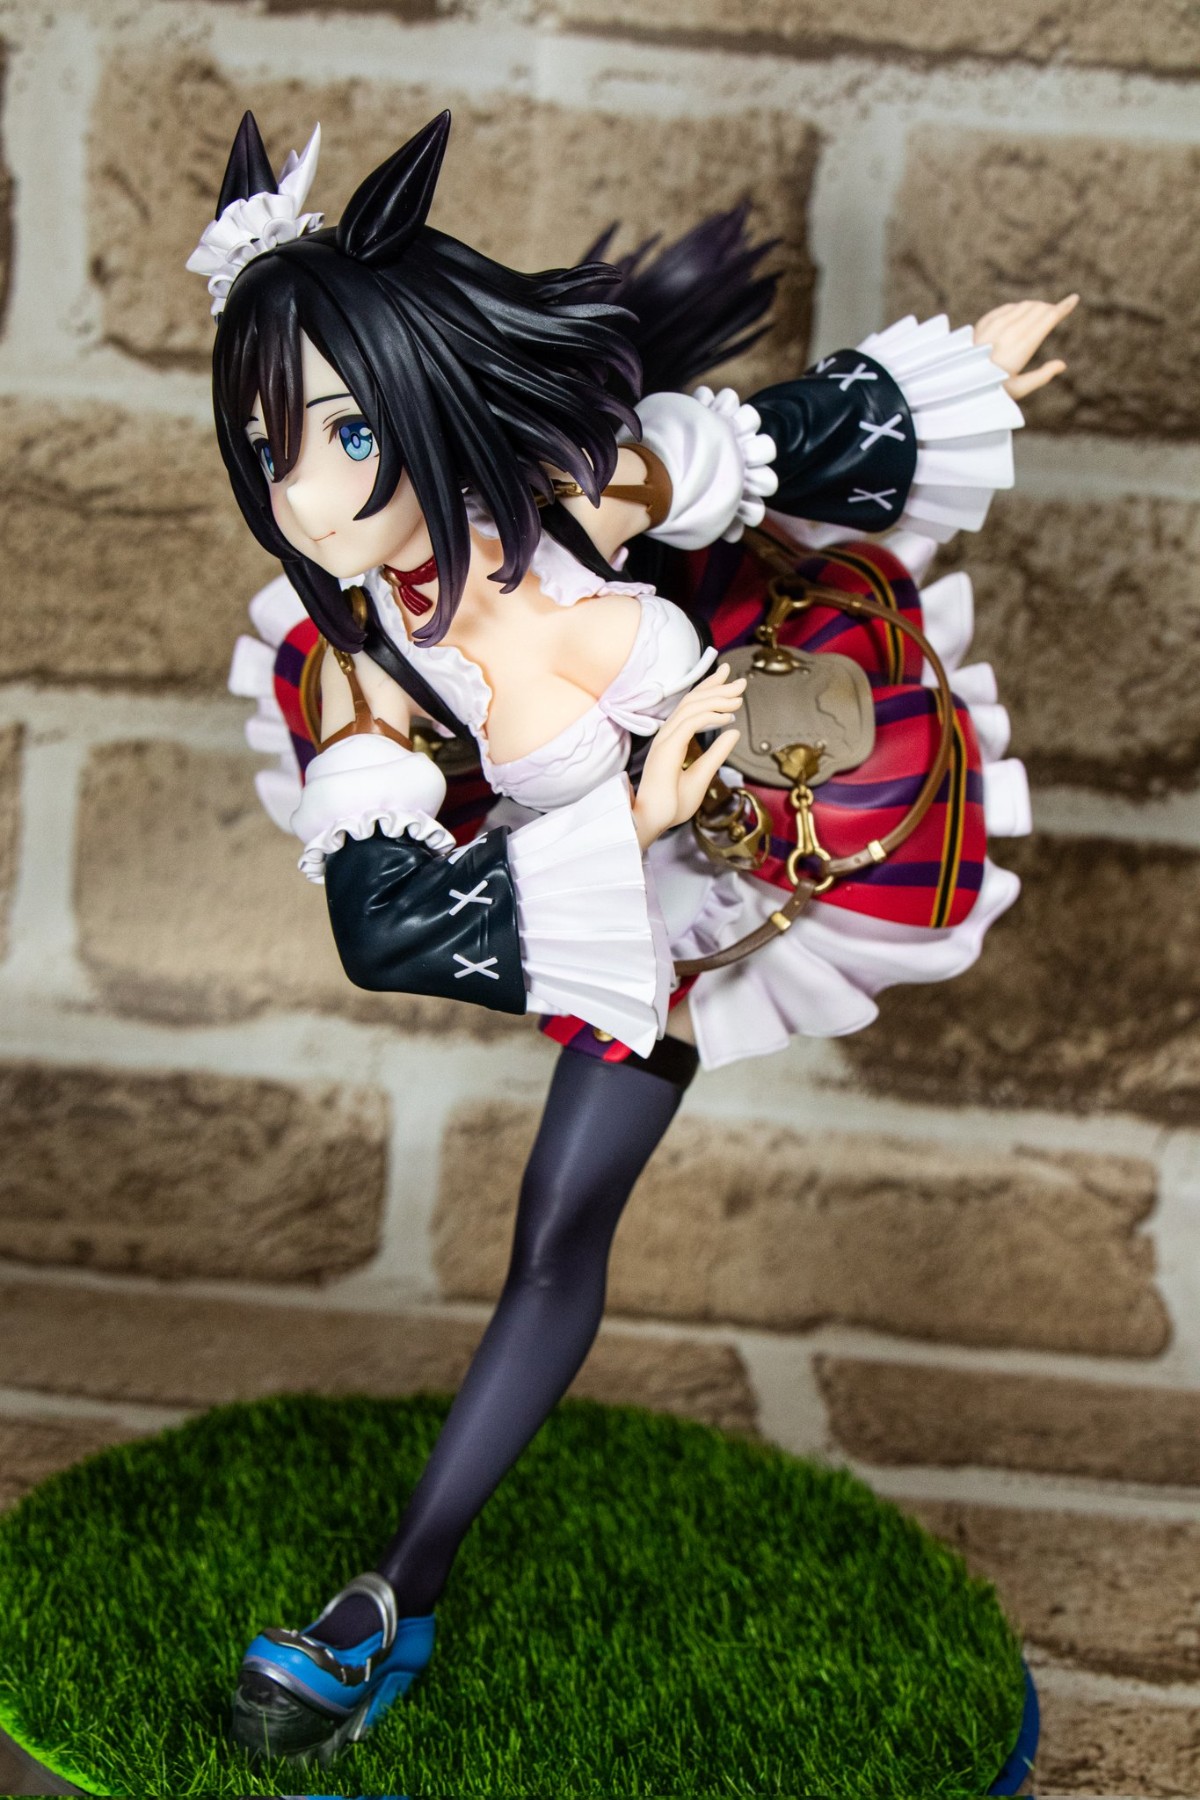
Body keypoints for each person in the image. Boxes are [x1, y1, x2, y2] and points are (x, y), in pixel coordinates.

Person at [189, 108, 1074, 1763]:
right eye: (267, 444)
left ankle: (395, 1590)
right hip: (621, 895)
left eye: (342, 432)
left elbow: (774, 439)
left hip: (759, 810)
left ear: (417, 401)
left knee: (556, 1229)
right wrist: (635, 822)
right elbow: (385, 928)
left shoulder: (578, 492)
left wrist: (961, 377)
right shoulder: (366, 666)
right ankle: (396, 1597)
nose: (300, 493)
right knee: (557, 1229)